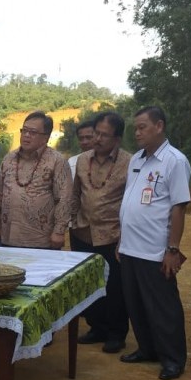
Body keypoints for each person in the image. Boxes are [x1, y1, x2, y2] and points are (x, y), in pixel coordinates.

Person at [118, 106, 191, 380]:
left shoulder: (174, 161)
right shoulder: (137, 159)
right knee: (136, 305)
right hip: (129, 247)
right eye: (135, 128)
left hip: (155, 250)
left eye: (142, 127)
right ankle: (147, 349)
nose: (136, 133)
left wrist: (172, 249)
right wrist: (122, 240)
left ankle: (173, 359)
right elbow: (130, 201)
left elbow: (178, 207)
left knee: (163, 307)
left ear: (159, 126)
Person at [69, 111, 131, 354]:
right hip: (82, 233)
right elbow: (75, 194)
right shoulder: (83, 160)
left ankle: (116, 333)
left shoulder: (130, 162)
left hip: (112, 234)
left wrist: (125, 237)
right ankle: (96, 327)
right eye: (96, 133)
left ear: (117, 138)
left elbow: (130, 201)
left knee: (114, 286)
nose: (98, 139)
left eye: (105, 135)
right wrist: (71, 220)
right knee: (88, 284)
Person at [0, 111, 72, 249]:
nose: (26, 135)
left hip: (40, 240)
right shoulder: (9, 158)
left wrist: (59, 231)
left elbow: (64, 198)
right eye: (24, 131)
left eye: (33, 132)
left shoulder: (57, 161)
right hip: (7, 237)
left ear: (45, 137)